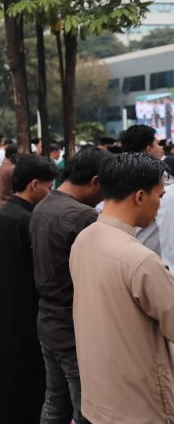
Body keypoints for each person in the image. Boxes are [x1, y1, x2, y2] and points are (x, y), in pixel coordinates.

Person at [70, 153, 172, 423]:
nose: (159, 206)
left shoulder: (85, 238)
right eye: (159, 196)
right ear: (140, 196)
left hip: (99, 396)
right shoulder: (141, 261)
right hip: (140, 404)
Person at [30, 146, 109, 424]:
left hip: (48, 320)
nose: (104, 197)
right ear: (96, 181)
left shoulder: (43, 205)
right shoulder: (83, 216)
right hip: (74, 325)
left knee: (54, 403)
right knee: (85, 411)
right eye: (105, 189)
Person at [0, 155, 58, 424]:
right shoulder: (26, 220)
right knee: (25, 378)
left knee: (6, 372)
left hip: (7, 305)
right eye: (49, 187)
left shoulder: (7, 214)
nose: (49, 193)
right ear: (35, 184)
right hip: (26, 309)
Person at [118, 124, 165, 257]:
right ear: (148, 149)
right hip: (146, 257)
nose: (161, 148)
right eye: (158, 144)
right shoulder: (160, 181)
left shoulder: (114, 175)